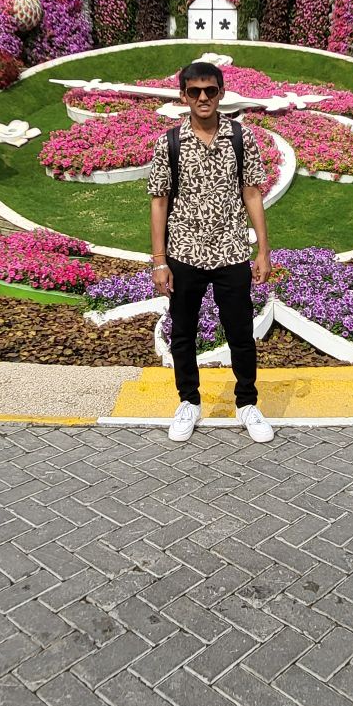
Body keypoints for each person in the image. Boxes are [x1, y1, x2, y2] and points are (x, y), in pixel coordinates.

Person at [147, 60, 275, 444]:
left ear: (221, 93)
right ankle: (189, 401)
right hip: (184, 252)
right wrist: (159, 261)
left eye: (210, 90)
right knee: (183, 333)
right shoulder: (169, 143)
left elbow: (252, 193)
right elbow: (159, 201)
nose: (203, 98)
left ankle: (247, 403)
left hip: (231, 251)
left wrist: (263, 250)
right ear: (183, 96)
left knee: (241, 333)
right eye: (195, 91)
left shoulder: (241, 137)